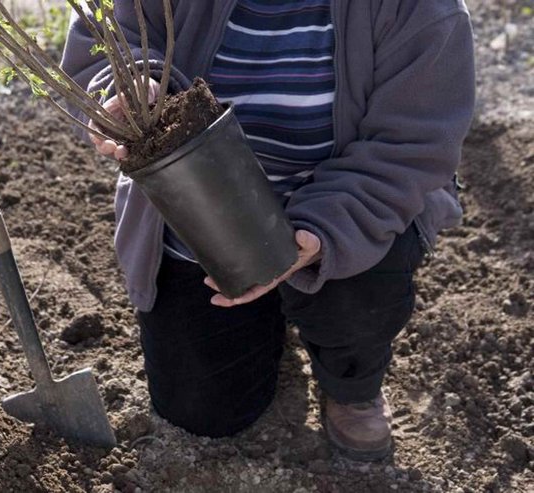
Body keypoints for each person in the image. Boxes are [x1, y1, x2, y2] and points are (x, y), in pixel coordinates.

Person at [61, 0, 475, 461]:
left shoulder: (421, 9)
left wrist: (320, 235)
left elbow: (410, 145)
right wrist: (129, 89)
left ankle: (351, 383)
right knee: (202, 411)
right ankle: (270, 323)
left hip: (349, 215)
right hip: (200, 225)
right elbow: (106, 38)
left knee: (358, 297)